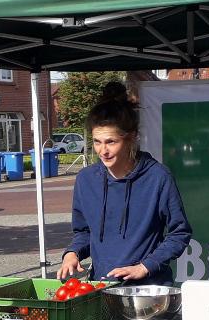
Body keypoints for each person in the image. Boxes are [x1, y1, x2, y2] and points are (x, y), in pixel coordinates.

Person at [57, 81, 192, 286]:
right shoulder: (85, 180)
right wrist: (72, 253)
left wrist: (145, 266)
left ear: (132, 138)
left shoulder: (158, 177)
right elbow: (84, 232)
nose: (103, 151)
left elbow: (179, 233)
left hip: (148, 290)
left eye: (111, 142)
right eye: (97, 142)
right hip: (101, 288)